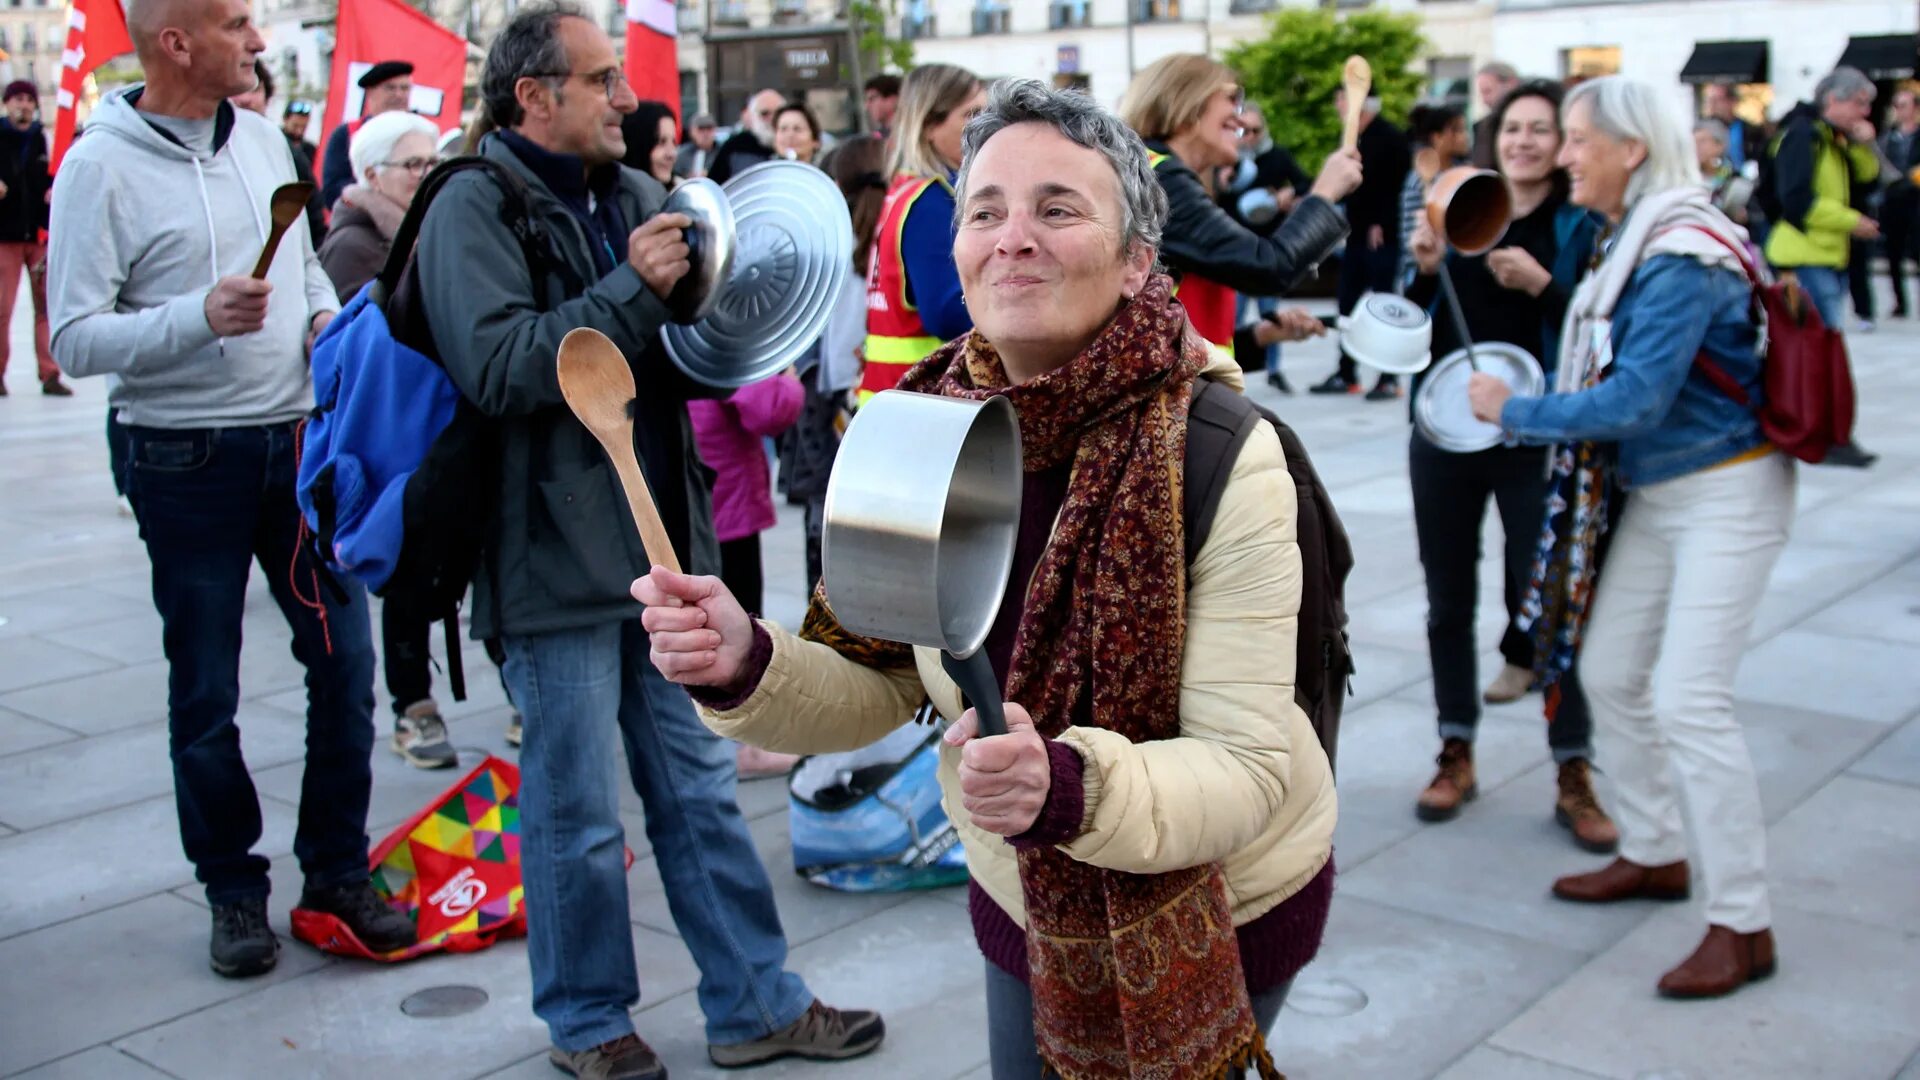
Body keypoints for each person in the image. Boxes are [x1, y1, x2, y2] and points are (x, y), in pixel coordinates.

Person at [641, 77, 1336, 1080]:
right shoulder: (914, 424)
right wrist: (746, 662)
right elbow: (875, 678)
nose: (1013, 237)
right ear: (956, 246)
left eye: (1058, 208)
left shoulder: (1225, 449)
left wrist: (1066, 785)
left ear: (1139, 257)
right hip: (1021, 887)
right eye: (985, 210)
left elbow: (1243, 768)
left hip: (1228, 898)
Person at [413, 7, 882, 1076]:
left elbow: (682, 358)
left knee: (701, 792)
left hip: (665, 546)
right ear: (535, 97)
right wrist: (634, 287)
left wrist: (740, 308)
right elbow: (502, 368)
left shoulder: (633, 196)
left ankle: (756, 1004)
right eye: (603, 80)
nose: (629, 100)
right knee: (574, 813)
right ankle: (589, 1025)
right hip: (549, 562)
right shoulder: (470, 207)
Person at [48, 0, 412, 977]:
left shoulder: (262, 142)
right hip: (184, 461)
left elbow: (309, 279)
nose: (257, 41)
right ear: (176, 42)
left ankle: (336, 870)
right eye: (237, 23)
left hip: (294, 450)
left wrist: (324, 328)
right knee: (205, 687)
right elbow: (72, 339)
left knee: (342, 665)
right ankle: (233, 892)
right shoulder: (97, 165)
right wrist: (193, 319)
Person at [1468, 76, 1791, 1001]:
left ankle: (1743, 921)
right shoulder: (1641, 237)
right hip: (1662, 489)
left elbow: (1636, 398)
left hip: (1727, 489)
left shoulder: (1681, 252)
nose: (1566, 155)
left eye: (1577, 138)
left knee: (1691, 700)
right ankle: (1655, 851)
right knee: (1607, 671)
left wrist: (1515, 409)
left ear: (1630, 149)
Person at [1402, 79, 1615, 851]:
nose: (1525, 140)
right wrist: (1425, 272)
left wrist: (1545, 287)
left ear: (1562, 144)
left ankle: (1572, 766)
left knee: (1549, 600)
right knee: (1446, 600)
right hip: (1446, 433)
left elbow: (1604, 333)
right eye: (1513, 128)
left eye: (1541, 129)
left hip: (1533, 433)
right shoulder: (1453, 207)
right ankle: (1455, 748)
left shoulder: (1580, 224)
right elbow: (1406, 329)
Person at [1116, 55, 1355, 381]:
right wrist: (1324, 195)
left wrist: (1260, 336)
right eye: (1233, 99)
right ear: (1187, 102)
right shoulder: (1161, 180)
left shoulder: (1149, 171)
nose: (1241, 121)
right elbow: (1268, 267)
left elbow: (1186, 345)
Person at [689, 370, 805, 781]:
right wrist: (785, 375)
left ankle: (709, 741)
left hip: (696, 498)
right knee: (739, 631)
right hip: (724, 500)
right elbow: (769, 408)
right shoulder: (716, 334)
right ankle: (746, 744)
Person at [1764, 66, 1879, 468]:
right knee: (1818, 351)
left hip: (1826, 255)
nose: (1864, 113)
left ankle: (1827, 433)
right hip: (1804, 255)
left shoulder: (1832, 138)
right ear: (1833, 100)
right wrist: (1852, 222)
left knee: (1822, 349)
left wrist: (1864, 146)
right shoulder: (1803, 135)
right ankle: (1820, 434)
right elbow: (1797, 200)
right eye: (1859, 103)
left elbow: (1867, 180)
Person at [858, 63, 987, 403]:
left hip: (899, 399)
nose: (986, 127)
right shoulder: (929, 200)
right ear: (929, 125)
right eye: (972, 115)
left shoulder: (907, 189)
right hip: (918, 400)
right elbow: (945, 312)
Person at [1312, 87, 1410, 399]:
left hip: (1381, 235)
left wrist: (1381, 222)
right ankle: (1346, 373)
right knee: (1347, 304)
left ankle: (1389, 377)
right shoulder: (1352, 139)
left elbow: (1395, 187)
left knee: (1383, 306)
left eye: (1342, 98)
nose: (1338, 105)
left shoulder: (1389, 137)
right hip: (1355, 233)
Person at [1222, 99, 1315, 391]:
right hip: (1236, 250)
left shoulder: (1277, 156)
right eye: (1243, 131)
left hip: (1268, 247)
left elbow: (1304, 182)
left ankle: (1274, 370)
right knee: (1232, 316)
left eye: (1254, 130)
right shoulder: (1231, 159)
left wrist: (1288, 194)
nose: (1248, 137)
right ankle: (1227, 367)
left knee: (1271, 315)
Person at [319, 110, 438, 302]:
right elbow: (358, 328)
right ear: (372, 176)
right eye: (413, 164)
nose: (428, 174)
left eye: (433, 162)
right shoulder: (349, 248)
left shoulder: (433, 228)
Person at [0, 79, 65, 397]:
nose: (24, 105)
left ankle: (50, 374)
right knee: (2, 310)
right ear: (7, 104)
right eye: (17, 99)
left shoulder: (46, 139)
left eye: (28, 99)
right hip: (5, 238)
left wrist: (57, 189)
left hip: (39, 236)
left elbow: (58, 175)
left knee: (46, 308)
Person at [232, 61, 324, 248]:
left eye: (254, 89)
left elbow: (313, 218)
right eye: (236, 89)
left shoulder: (286, 150)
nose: (245, 99)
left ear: (267, 97)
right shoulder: (207, 153)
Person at [320, 59, 413, 210]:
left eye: (404, 88)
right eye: (390, 88)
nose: (399, 95)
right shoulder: (346, 135)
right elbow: (331, 191)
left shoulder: (419, 133)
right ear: (370, 92)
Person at [1397, 102, 1468, 289]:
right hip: (1422, 272)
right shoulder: (1419, 179)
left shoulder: (1462, 172)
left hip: (1459, 270)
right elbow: (1409, 236)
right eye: (1457, 131)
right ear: (1437, 137)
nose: (1465, 137)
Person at [1881, 88, 1919, 317]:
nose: (1900, 111)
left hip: (1916, 200)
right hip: (1893, 200)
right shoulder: (1888, 138)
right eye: (1896, 105)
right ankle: (1899, 302)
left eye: (1904, 105)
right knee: (1893, 255)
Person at [707, 87, 783, 184]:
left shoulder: (796, 144)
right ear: (754, 116)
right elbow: (714, 186)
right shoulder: (735, 146)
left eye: (778, 113)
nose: (772, 118)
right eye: (765, 113)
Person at [1694, 119, 1754, 225]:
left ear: (1719, 146)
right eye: (1694, 141)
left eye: (1702, 141)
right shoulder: (1685, 178)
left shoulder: (1735, 180)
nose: (1696, 147)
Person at [1701, 83, 1766, 175]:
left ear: (1733, 101)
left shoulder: (1751, 132)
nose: (1712, 105)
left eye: (1717, 100)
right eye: (1709, 100)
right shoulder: (1701, 131)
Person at [1470, 62, 1520, 169]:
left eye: (1488, 91)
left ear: (1511, 84)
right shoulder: (1482, 127)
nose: (1485, 100)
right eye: (1482, 93)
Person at [620, 99, 679, 187]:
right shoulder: (604, 198)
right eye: (661, 142)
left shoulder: (682, 193)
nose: (671, 154)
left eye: (674, 142)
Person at [673, 111, 717, 178]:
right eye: (701, 128)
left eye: (709, 128)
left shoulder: (722, 153)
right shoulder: (681, 154)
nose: (705, 133)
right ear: (691, 131)